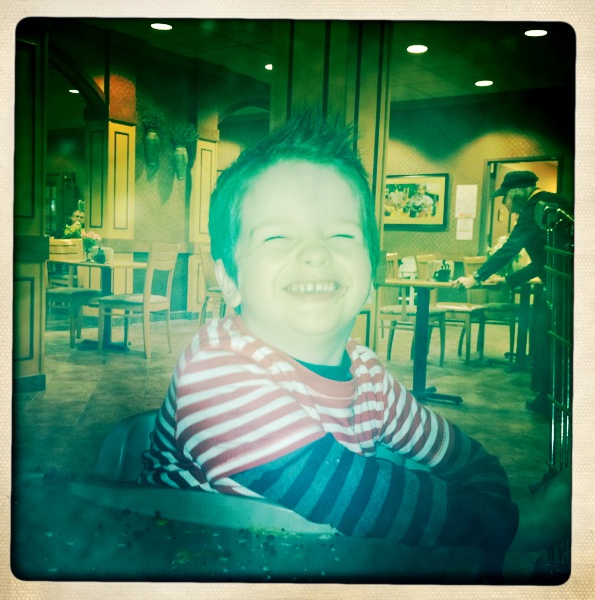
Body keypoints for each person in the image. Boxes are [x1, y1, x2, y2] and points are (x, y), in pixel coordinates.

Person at [140, 117, 570, 581]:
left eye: (341, 235)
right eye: (277, 236)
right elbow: (351, 494)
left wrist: (488, 504)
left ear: (372, 271)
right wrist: (518, 526)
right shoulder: (215, 371)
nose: (315, 253)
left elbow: (464, 457)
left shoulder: (369, 374)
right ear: (229, 279)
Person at [452, 170, 571, 414]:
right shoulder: (553, 202)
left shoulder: (534, 207)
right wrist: (508, 281)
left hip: (564, 287)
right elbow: (543, 260)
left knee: (544, 336)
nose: (505, 205)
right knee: (555, 338)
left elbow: (510, 248)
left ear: (515, 193)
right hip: (567, 283)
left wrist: (476, 277)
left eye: (504, 198)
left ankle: (547, 400)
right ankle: (554, 397)